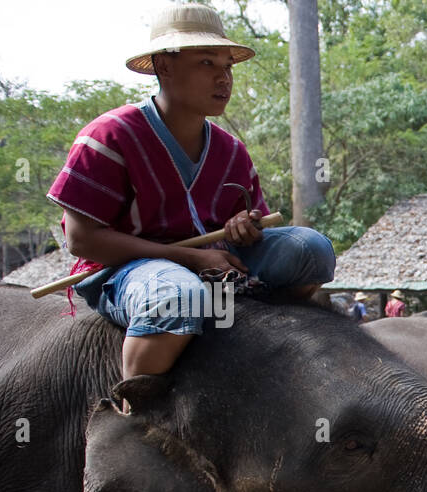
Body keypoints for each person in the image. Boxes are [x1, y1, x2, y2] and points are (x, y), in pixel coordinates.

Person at [48, 3, 335, 382]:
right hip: (130, 270)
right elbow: (82, 240)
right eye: (206, 63)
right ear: (164, 67)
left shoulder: (231, 150)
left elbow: (256, 224)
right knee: (178, 295)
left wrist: (243, 226)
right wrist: (189, 258)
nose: (224, 78)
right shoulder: (109, 136)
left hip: (214, 259)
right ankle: (133, 414)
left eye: (227, 67)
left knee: (311, 249)